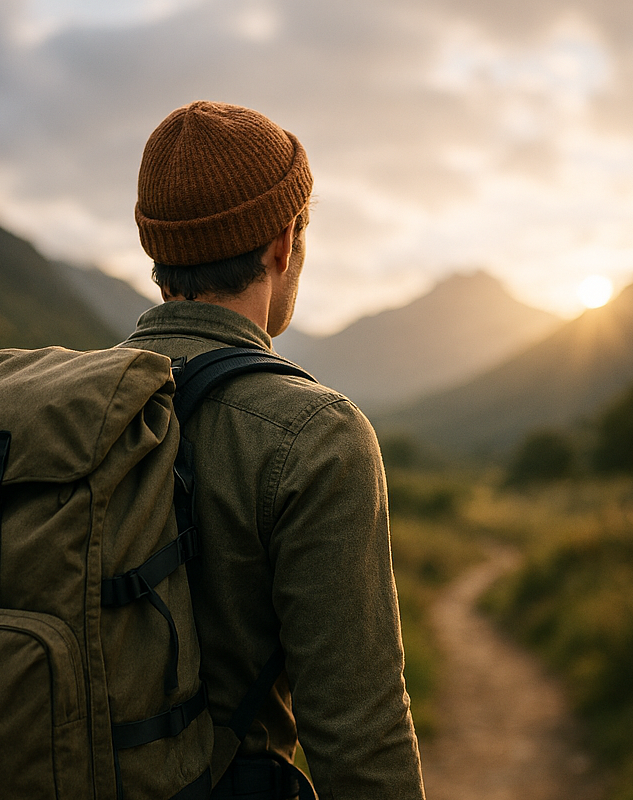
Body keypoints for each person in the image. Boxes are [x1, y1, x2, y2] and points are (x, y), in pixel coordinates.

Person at [121, 100, 426, 799]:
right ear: (283, 243)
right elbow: (360, 734)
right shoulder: (317, 435)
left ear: (156, 251)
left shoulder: (75, 408)